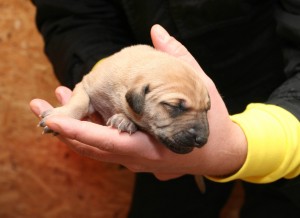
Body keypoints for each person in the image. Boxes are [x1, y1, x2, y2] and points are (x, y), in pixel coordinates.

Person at [30, 0, 300, 217]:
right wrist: (109, 81)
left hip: (281, 97)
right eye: (174, 107)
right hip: (157, 144)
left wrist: (258, 141)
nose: (202, 135)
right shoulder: (139, 97)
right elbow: (73, 16)